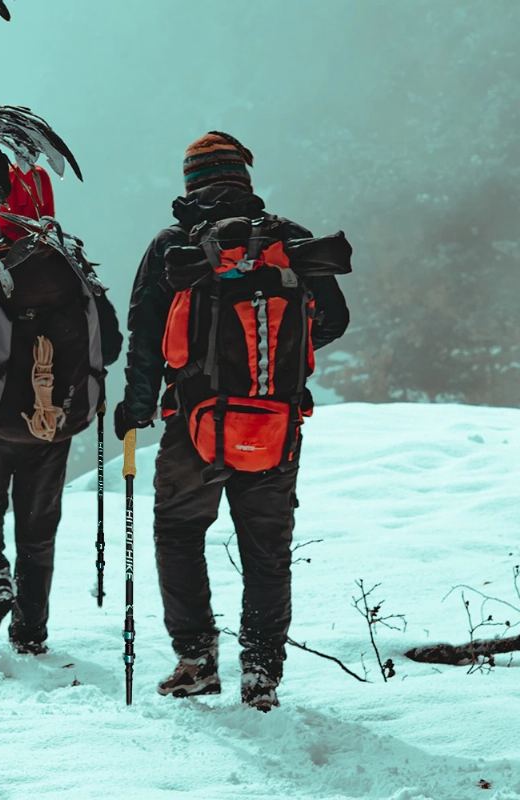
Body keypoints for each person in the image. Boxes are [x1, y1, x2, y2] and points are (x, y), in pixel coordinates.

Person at [114, 132, 349, 710]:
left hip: (194, 420)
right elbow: (335, 319)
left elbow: (144, 333)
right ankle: (261, 674)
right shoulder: (289, 239)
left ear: (191, 182)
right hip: (275, 421)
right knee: (266, 547)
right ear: (244, 178)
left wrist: (138, 405)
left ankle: (195, 660)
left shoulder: (174, 245)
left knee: (179, 532)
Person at [0, 165, 123, 656]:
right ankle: (30, 633)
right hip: (54, 425)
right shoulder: (72, 263)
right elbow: (112, 344)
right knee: (38, 527)